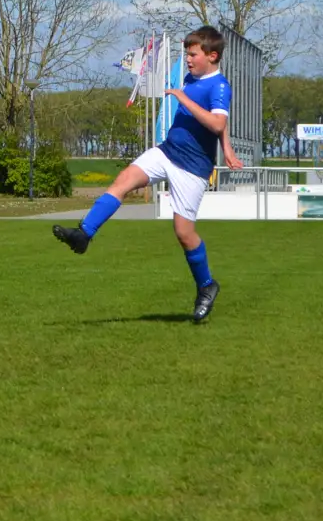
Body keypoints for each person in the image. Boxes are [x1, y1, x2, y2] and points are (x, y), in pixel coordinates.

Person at [52, 25, 242, 323]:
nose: (188, 59)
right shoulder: (192, 78)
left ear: (212, 55)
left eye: (193, 54)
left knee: (184, 233)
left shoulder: (219, 86)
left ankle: (206, 285)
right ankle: (84, 233)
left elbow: (218, 123)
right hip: (167, 151)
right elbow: (221, 126)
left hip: (192, 168)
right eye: (187, 54)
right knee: (124, 180)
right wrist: (227, 149)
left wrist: (183, 99)